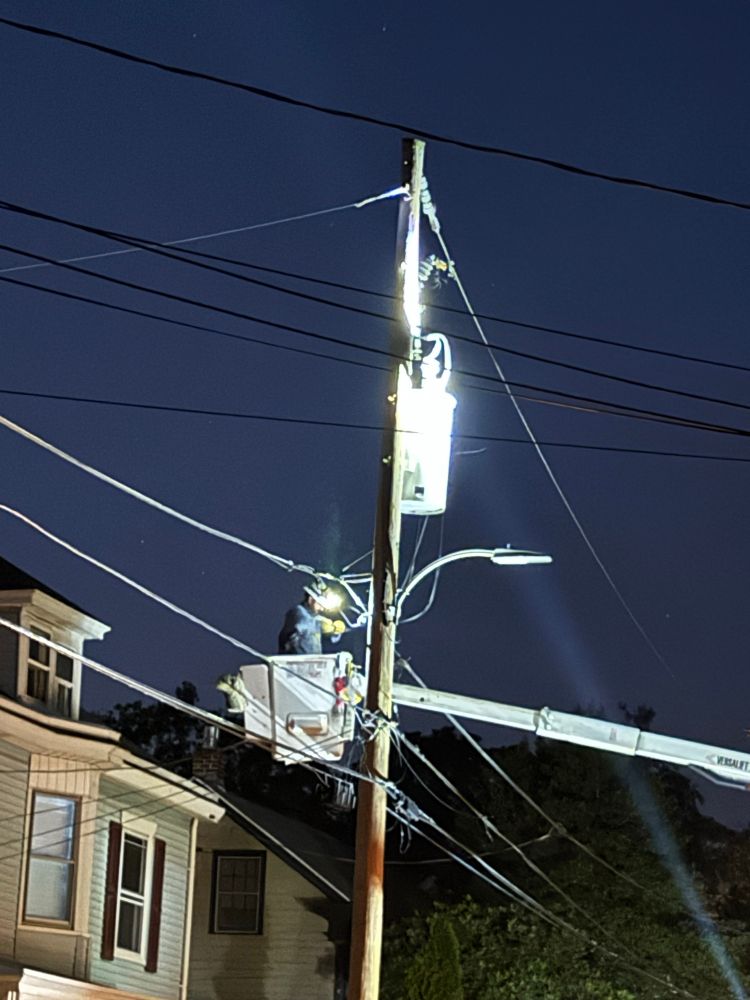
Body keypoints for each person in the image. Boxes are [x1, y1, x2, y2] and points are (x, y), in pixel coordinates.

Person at [278, 581, 344, 655]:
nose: (322, 609)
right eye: (320, 605)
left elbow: (328, 637)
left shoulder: (314, 617)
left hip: (313, 660)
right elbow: (304, 625)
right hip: (296, 660)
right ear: (311, 600)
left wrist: (335, 631)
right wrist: (323, 625)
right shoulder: (297, 612)